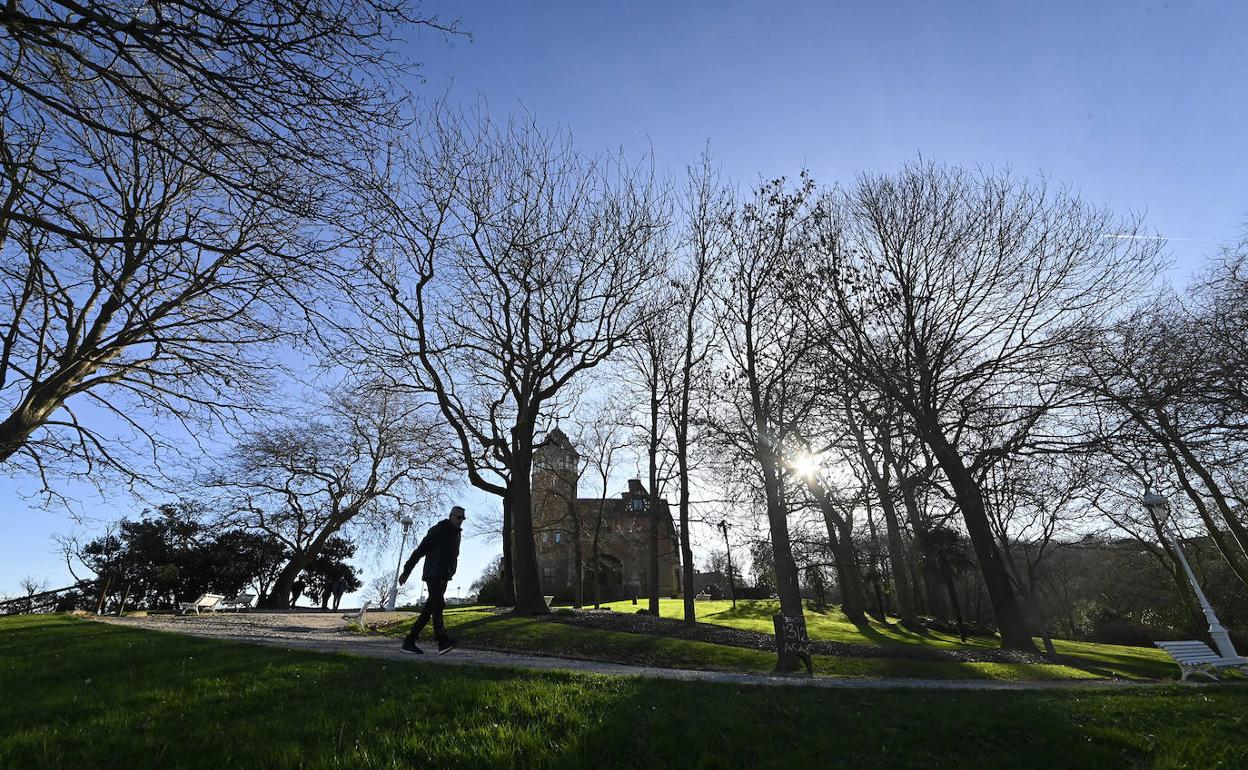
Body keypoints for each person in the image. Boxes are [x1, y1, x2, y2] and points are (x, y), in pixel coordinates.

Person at [399, 506, 465, 654]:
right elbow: (419, 551)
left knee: (429, 609)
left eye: (462, 519)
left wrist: (451, 570)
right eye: (458, 518)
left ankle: (409, 641)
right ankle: (442, 640)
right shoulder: (437, 530)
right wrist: (406, 572)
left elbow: (455, 555)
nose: (460, 521)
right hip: (433, 573)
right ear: (451, 516)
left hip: (444, 575)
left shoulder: (457, 534)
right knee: (438, 604)